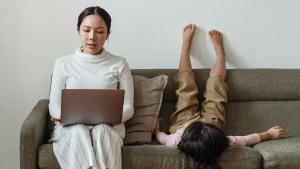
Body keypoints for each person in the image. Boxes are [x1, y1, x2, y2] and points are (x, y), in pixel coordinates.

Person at [154, 24, 284, 169]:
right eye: (187, 127)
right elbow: (246, 140)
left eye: (186, 128)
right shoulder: (219, 141)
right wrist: (268, 134)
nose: (188, 125)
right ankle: (221, 53)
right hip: (212, 124)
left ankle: (185, 48)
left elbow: (163, 139)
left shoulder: (177, 140)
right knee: (216, 86)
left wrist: (157, 130)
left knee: (185, 87)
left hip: (181, 121)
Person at [49, 6, 134, 169]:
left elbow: (128, 107)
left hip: (109, 128)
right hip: (71, 128)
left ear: (108, 34)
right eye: (86, 30)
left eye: (100, 32)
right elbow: (54, 104)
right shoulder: (62, 63)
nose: (92, 37)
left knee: (101, 130)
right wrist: (64, 116)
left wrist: (109, 118)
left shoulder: (120, 63)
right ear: (78, 31)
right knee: (79, 131)